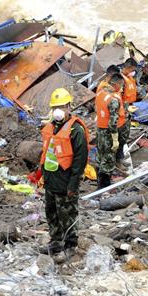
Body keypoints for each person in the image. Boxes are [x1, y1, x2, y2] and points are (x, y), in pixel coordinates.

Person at [38, 88, 89, 255]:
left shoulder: (76, 131)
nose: (57, 110)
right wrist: (41, 175)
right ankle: (55, 241)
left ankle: (70, 245)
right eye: (55, 107)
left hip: (66, 180)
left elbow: (79, 161)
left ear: (69, 106)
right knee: (52, 212)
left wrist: (73, 184)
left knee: (67, 213)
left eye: (61, 106)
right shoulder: (51, 128)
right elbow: (48, 153)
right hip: (51, 179)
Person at [95, 73, 125, 188]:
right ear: (115, 84)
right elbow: (113, 122)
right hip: (108, 133)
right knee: (108, 159)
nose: (121, 88)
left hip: (99, 129)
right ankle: (103, 187)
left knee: (100, 156)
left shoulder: (101, 93)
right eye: (121, 85)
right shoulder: (113, 100)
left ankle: (99, 182)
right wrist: (115, 139)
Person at [117, 58, 142, 163]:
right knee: (120, 133)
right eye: (132, 69)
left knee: (125, 132)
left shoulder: (130, 78)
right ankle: (118, 155)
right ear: (127, 68)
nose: (133, 72)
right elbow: (117, 97)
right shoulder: (120, 79)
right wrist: (124, 108)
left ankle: (121, 150)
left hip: (129, 108)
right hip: (121, 110)